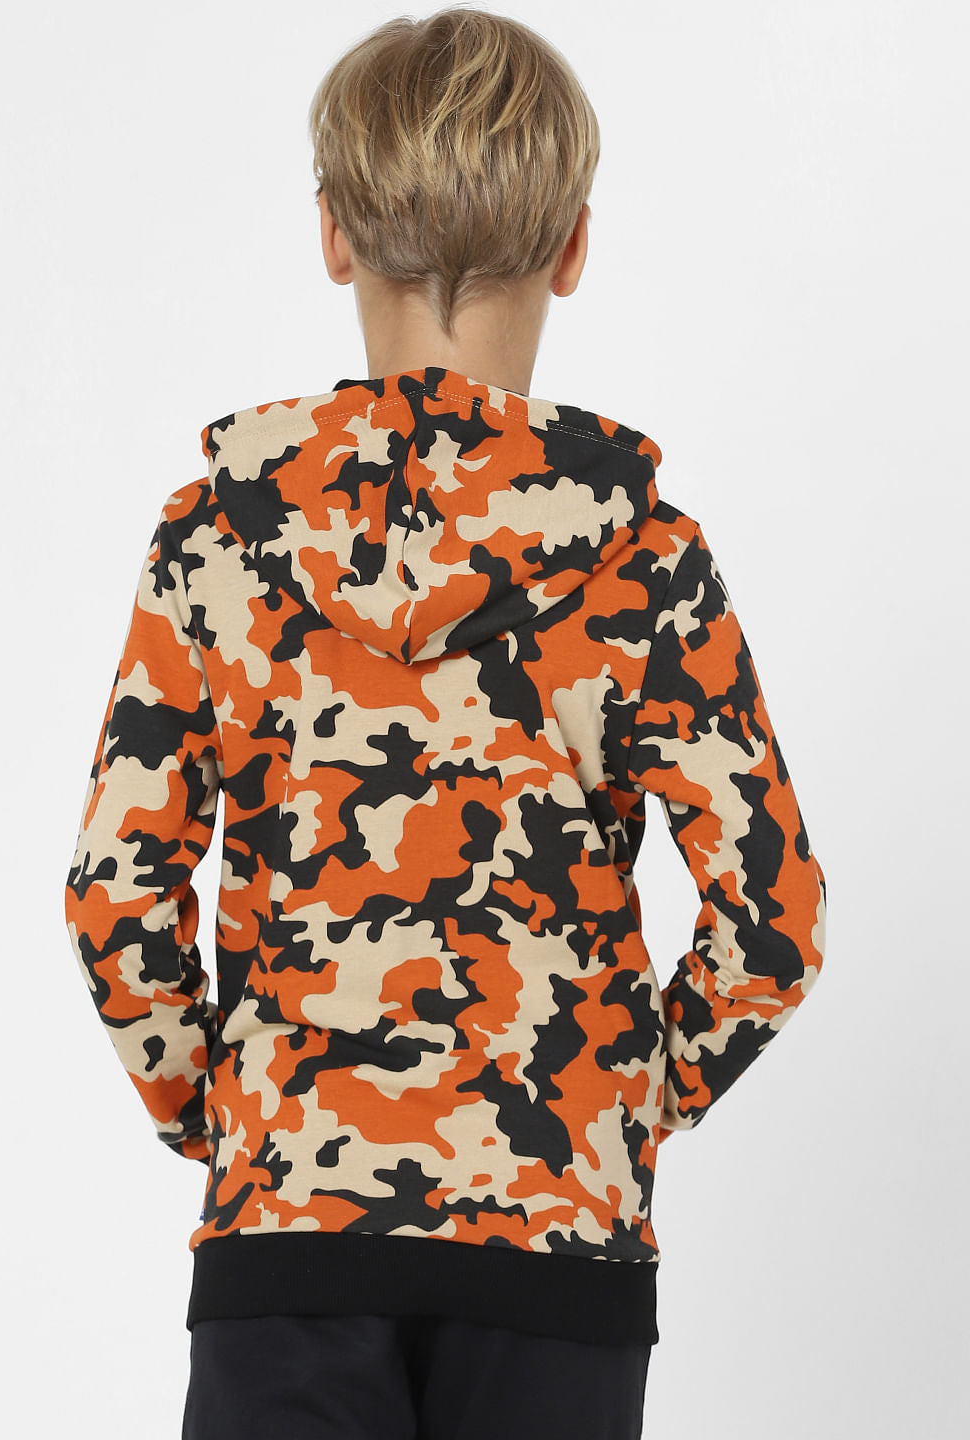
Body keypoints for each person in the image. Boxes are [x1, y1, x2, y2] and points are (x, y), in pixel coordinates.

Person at [63, 8, 828, 1438]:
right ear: (574, 246)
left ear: (333, 235)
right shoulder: (642, 559)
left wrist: (222, 1110)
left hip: (285, 1230)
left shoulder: (217, 539)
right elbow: (774, 917)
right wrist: (618, 1102)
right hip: (557, 1244)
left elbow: (118, 893)